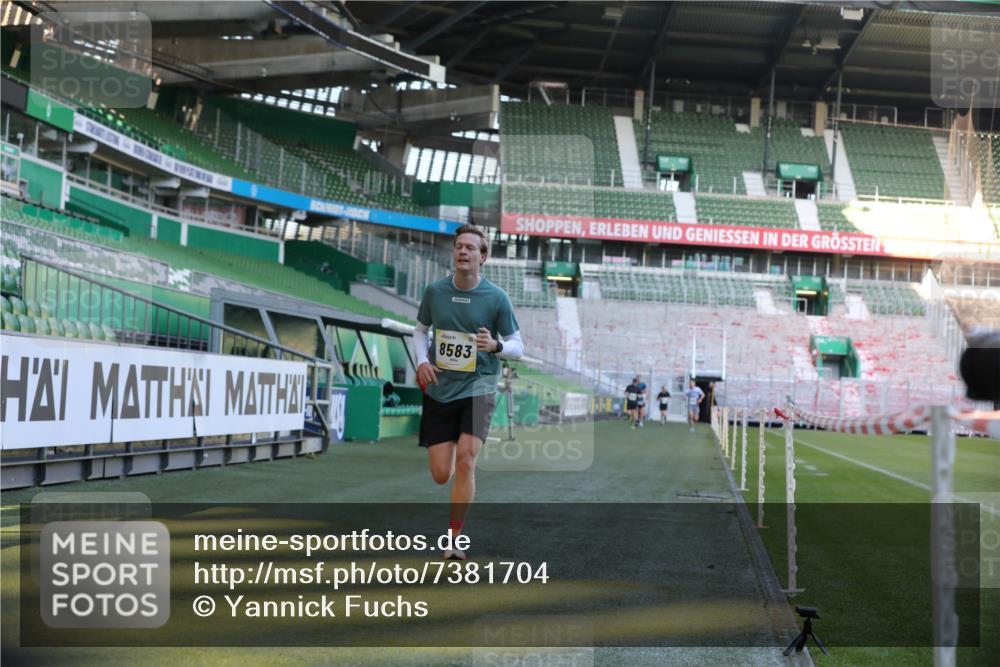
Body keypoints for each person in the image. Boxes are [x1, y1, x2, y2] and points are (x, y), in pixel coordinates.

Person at [413, 224, 523, 561]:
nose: (462, 251)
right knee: (440, 473)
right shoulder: (435, 292)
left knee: (466, 461)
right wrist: (421, 361)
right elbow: (420, 331)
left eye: (470, 248)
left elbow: (518, 346)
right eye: (459, 246)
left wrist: (495, 345)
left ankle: (454, 539)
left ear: (483, 257)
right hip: (440, 390)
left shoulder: (496, 298)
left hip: (479, 387)